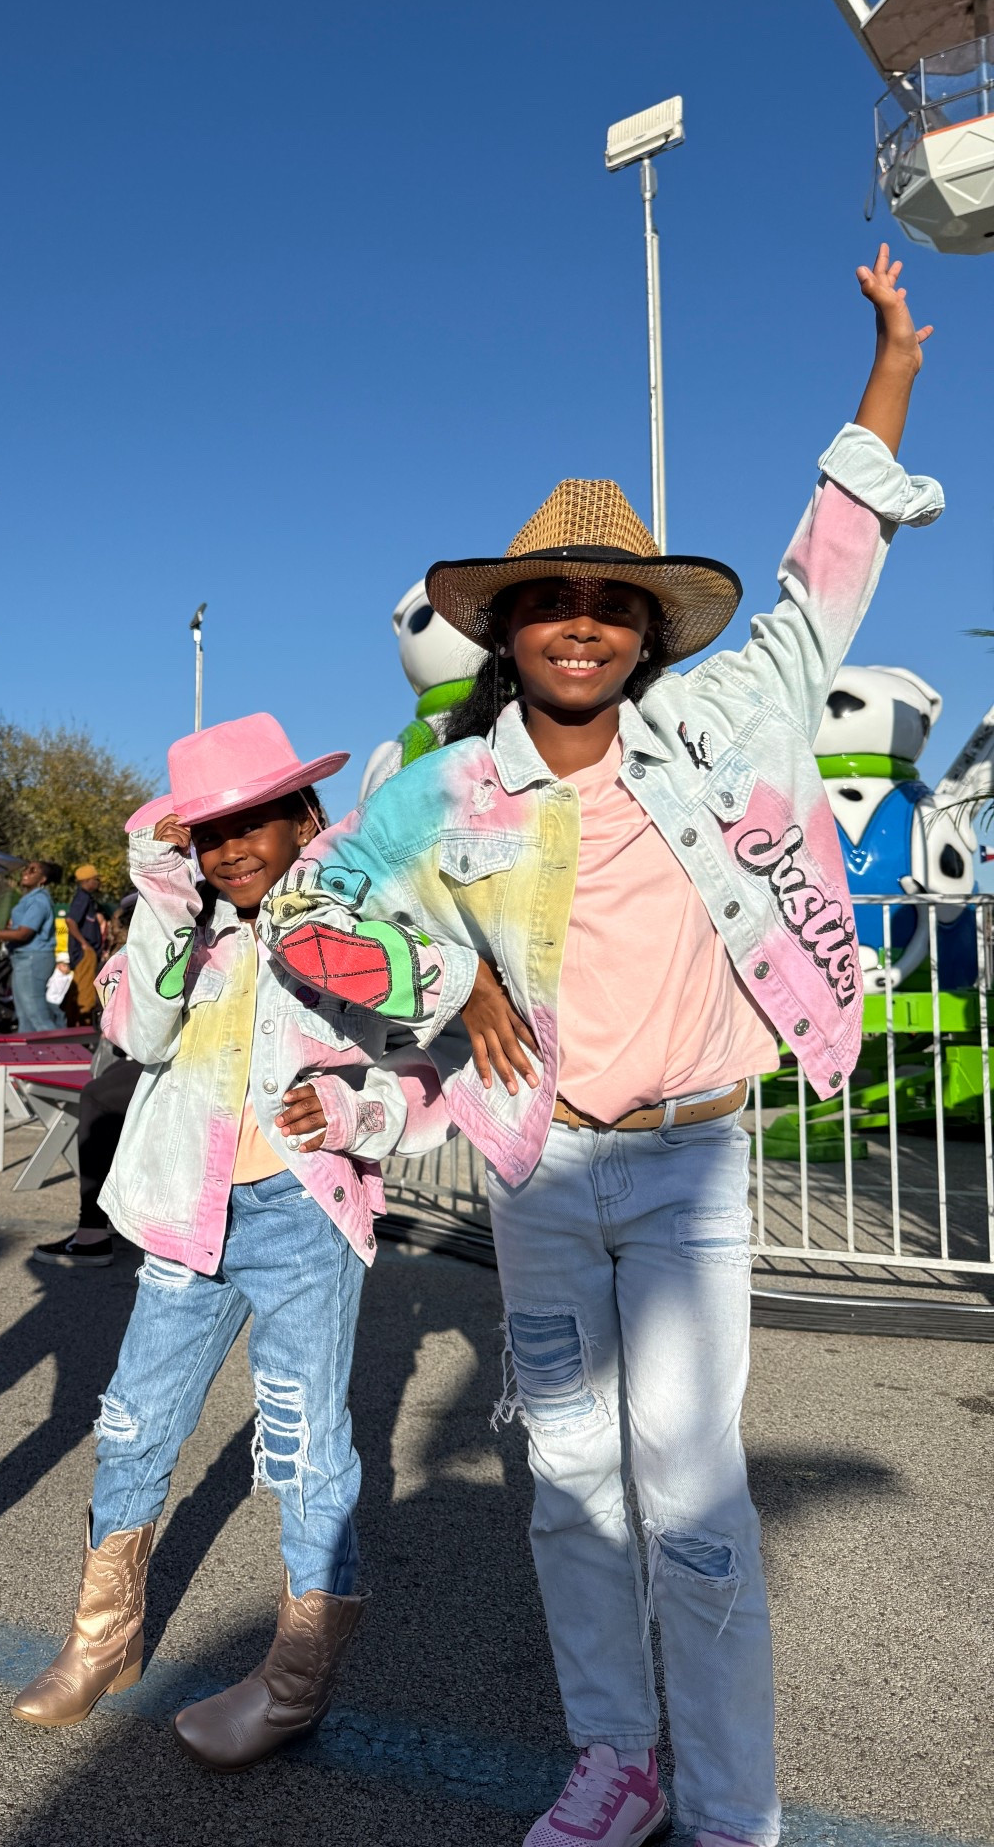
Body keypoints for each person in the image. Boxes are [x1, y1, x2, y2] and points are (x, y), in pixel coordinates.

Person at [257, 250, 939, 1847]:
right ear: (511, 629)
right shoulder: (440, 795)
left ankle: (728, 1806)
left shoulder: (730, 724)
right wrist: (438, 985)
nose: (581, 626)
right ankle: (613, 1764)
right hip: (542, 1171)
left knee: (694, 1508)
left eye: (610, 604)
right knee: (569, 1491)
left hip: (695, 1161)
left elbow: (827, 568)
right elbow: (305, 915)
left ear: (645, 627)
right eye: (551, 604)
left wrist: (893, 366)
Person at [10, 713, 451, 1770]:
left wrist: (359, 1116)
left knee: (306, 1448)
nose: (234, 849)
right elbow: (138, 1035)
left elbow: (438, 1067)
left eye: (257, 821)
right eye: (209, 835)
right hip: (187, 1213)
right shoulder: (183, 932)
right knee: (133, 1422)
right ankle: (102, 1638)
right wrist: (159, 893)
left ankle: (297, 1678)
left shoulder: (368, 922)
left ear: (309, 816)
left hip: (303, 1217)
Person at [33, 892, 138, 1268]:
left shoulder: (145, 949)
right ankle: (110, 1211)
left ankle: (93, 1230)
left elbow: (120, 1023)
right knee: (109, 1082)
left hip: (182, 1064)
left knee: (98, 1095)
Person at [0, 857, 64, 1032]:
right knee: (24, 1015)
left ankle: (59, 1054)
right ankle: (30, 1057)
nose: (26, 873)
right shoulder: (28, 899)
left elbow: (24, 933)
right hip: (23, 959)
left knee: (36, 1014)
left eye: (33, 871)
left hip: (33, 959)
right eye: (26, 869)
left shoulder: (39, 900)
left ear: (43, 880)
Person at [64, 862, 105, 1020]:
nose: (97, 883)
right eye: (95, 879)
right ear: (87, 881)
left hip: (84, 951)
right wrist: (84, 944)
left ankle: (75, 1022)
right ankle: (82, 1025)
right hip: (84, 953)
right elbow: (70, 921)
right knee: (85, 993)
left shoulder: (87, 898)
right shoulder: (82, 898)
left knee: (80, 989)